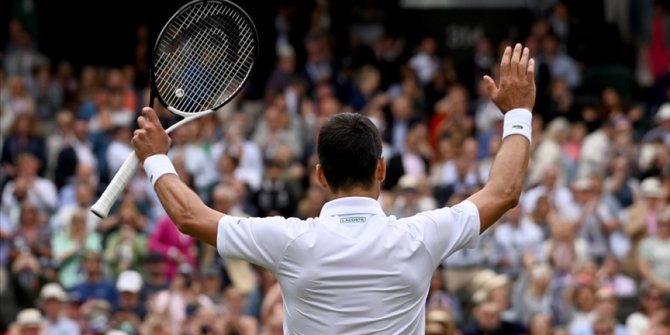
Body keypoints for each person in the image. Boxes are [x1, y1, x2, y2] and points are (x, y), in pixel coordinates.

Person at [129, 43, 536, 333]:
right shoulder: (420, 237)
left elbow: (189, 216)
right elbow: (503, 192)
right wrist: (517, 113)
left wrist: (155, 158)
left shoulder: (289, 240)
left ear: (320, 175)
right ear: (381, 169)